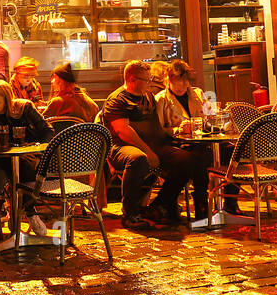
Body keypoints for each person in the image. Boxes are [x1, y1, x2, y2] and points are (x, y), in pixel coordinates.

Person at [101, 60, 209, 230]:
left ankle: (161, 204)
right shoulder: (117, 99)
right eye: (146, 80)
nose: (150, 83)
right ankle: (130, 213)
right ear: (131, 79)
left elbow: (157, 126)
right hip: (121, 147)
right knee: (138, 159)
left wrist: (171, 142)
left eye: (150, 79)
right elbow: (123, 131)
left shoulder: (148, 96)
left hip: (153, 145)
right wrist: (148, 151)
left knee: (189, 159)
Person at [154, 61, 240, 216]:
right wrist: (177, 129)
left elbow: (212, 117)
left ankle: (231, 202)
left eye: (184, 81)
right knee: (199, 157)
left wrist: (217, 119)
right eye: (176, 81)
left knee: (234, 151)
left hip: (204, 140)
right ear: (168, 80)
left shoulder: (198, 94)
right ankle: (201, 203)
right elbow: (158, 129)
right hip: (180, 144)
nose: (181, 85)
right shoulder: (161, 99)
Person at [0, 80, 52, 237]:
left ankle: (18, 208)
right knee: (20, 167)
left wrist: (37, 153)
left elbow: (48, 131)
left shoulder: (24, 108)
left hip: (30, 157)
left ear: (7, 101)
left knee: (25, 168)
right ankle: (30, 211)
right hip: (2, 159)